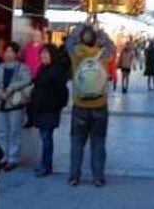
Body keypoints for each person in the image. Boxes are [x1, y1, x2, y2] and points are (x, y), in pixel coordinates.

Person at [66, 22, 116, 187]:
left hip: (80, 105)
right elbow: (112, 46)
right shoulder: (103, 55)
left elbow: (69, 41)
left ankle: (74, 176)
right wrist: (100, 32)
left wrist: (81, 27)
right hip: (99, 105)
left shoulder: (76, 54)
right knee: (98, 142)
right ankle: (98, 177)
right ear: (96, 40)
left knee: (77, 142)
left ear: (81, 39)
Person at [30, 43, 69, 177]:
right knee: (44, 137)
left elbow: (62, 91)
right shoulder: (42, 69)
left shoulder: (57, 71)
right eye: (42, 53)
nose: (43, 56)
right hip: (40, 108)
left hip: (50, 109)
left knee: (46, 137)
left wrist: (60, 105)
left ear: (52, 55)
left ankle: (46, 166)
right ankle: (45, 164)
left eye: (46, 53)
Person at [0, 41, 32, 171]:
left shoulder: (22, 67)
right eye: (6, 51)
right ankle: (3, 156)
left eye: (11, 51)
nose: (8, 54)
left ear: (16, 54)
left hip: (15, 104)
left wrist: (12, 87)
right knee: (1, 132)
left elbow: (27, 80)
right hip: (0, 103)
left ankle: (12, 158)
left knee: (14, 132)